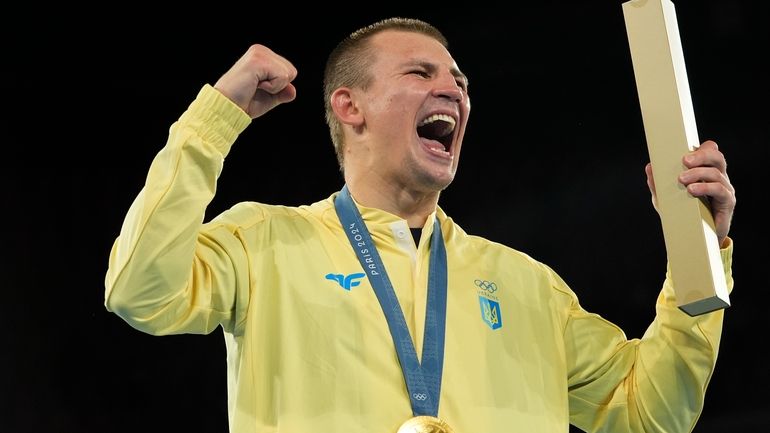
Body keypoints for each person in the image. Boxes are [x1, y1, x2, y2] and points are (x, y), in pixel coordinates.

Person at [104, 17, 736, 433]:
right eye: (421, 73)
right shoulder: (265, 244)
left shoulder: (525, 285)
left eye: (460, 82)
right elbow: (140, 291)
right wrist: (216, 119)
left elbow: (652, 411)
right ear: (348, 106)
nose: (455, 92)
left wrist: (698, 248)